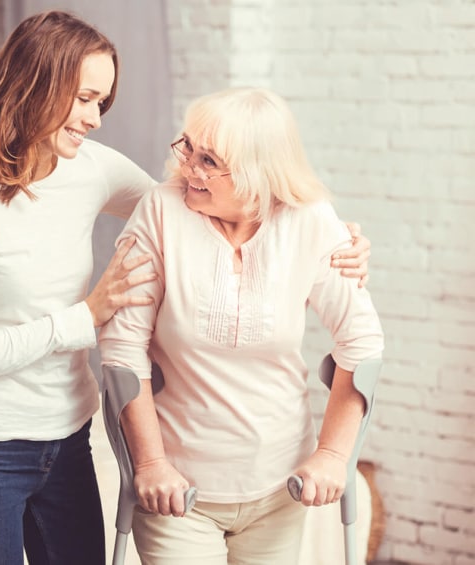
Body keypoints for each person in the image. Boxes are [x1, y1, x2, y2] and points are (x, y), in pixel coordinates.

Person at [0, 11, 372, 565]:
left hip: (69, 438)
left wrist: (328, 237)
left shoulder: (90, 167)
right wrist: (88, 315)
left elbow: (188, 205)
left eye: (102, 103)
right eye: (85, 98)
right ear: (38, 84)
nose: (95, 119)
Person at [99, 86, 385, 565]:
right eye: (189, 148)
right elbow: (122, 348)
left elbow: (362, 342)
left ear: (258, 173)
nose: (189, 168)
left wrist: (333, 456)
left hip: (280, 486)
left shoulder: (310, 221)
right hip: (178, 491)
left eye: (209, 161)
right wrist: (149, 464)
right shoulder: (162, 211)